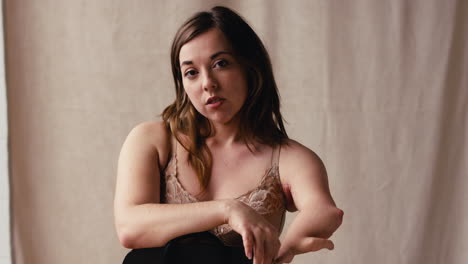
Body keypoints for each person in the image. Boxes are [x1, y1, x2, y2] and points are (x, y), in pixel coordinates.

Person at [114, 6, 344, 264]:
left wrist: (287, 248)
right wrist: (228, 210)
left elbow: (324, 211)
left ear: (250, 68)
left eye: (220, 63)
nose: (207, 83)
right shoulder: (153, 140)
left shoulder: (288, 158)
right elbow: (129, 229)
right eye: (191, 72)